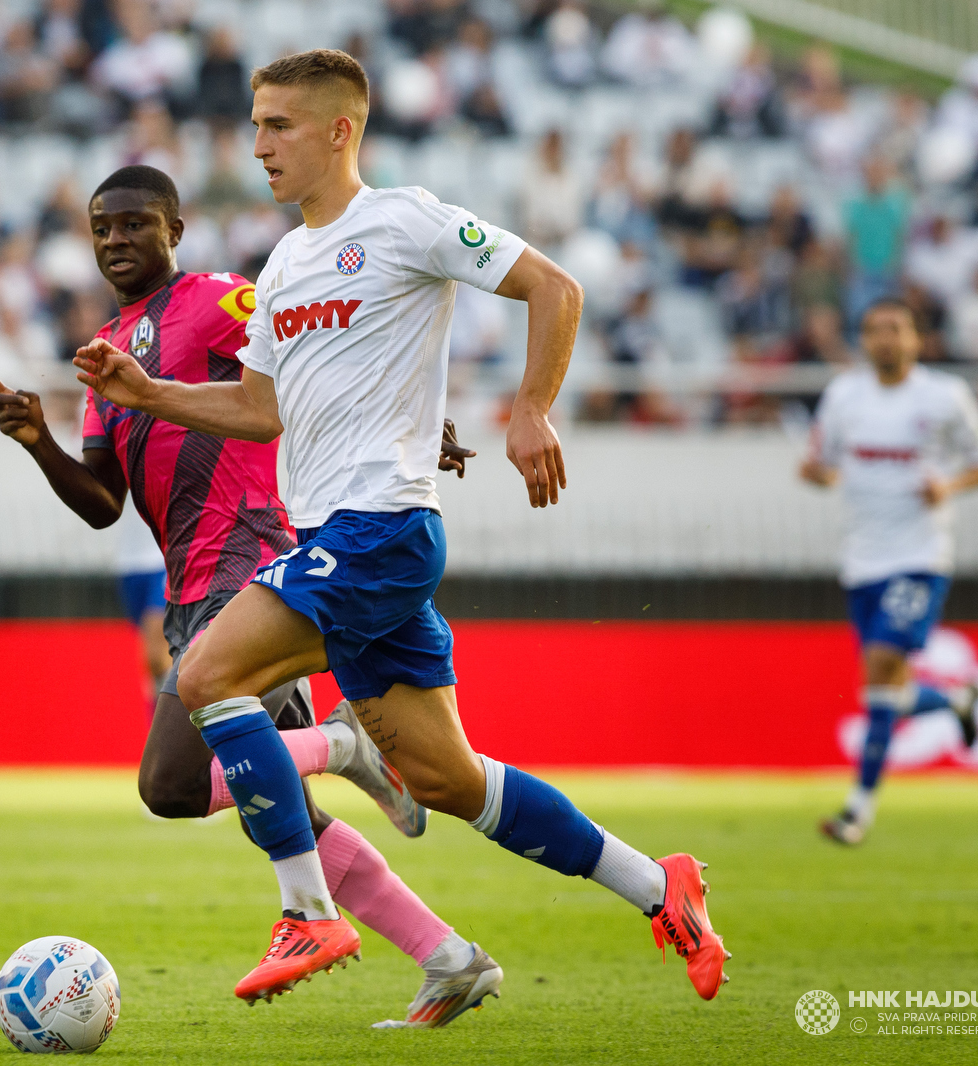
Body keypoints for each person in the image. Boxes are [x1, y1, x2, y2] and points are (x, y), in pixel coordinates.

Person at [72, 50, 727, 1010]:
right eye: (255, 125)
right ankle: (657, 883)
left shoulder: (405, 220)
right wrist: (151, 393)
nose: (258, 145)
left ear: (341, 130)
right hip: (343, 541)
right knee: (455, 784)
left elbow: (556, 288)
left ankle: (307, 909)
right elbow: (261, 409)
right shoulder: (287, 264)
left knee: (210, 676)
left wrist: (531, 408)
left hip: (379, 529)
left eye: (278, 125)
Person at [0, 165, 495, 1029]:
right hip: (189, 582)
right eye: (102, 228)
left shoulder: (221, 300)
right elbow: (105, 503)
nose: (115, 240)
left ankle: (339, 745)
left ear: (174, 229)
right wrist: (38, 441)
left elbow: (321, 351)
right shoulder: (106, 355)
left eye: (134, 224)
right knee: (282, 816)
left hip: (248, 556)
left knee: (171, 785)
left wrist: (406, 422)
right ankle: (451, 960)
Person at [799, 298, 978, 846]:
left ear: (916, 338)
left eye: (895, 329)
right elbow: (824, 463)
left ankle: (857, 811)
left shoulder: (944, 396)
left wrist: (947, 486)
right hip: (861, 561)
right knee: (884, 689)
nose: (884, 339)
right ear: (864, 340)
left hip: (919, 556)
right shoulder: (844, 396)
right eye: (874, 330)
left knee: (881, 665)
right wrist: (814, 473)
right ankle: (956, 700)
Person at [115, 514, 172, 714]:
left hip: (164, 558)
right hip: (129, 565)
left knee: (157, 655)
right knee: (150, 662)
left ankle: (171, 726)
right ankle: (160, 731)